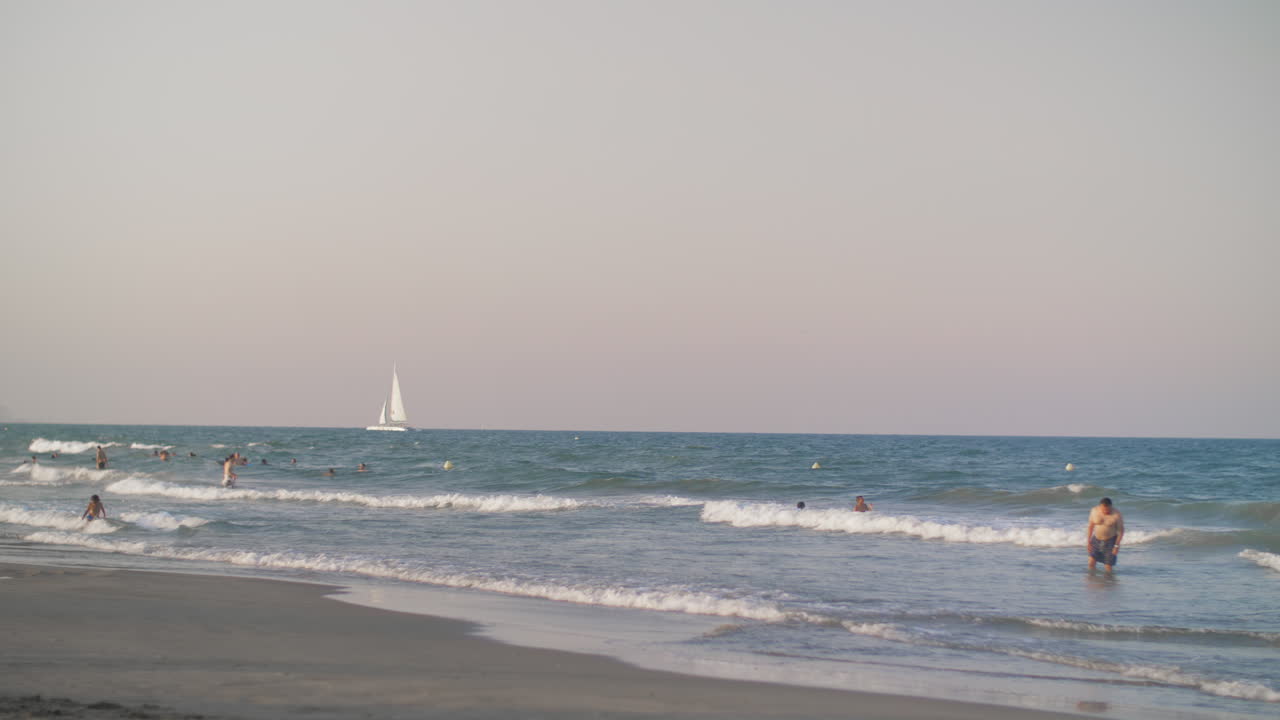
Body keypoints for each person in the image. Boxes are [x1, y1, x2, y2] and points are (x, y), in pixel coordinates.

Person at [1086, 497, 1124, 571]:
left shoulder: (1117, 515)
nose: (1106, 511)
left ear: (1111, 507)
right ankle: (1092, 580)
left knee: (1108, 567)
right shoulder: (1094, 511)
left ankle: (1108, 582)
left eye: (1108, 510)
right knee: (1091, 563)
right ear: (1100, 506)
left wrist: (1116, 546)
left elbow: (1121, 531)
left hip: (1110, 542)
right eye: (1103, 509)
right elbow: (1090, 526)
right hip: (1096, 540)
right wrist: (1088, 541)